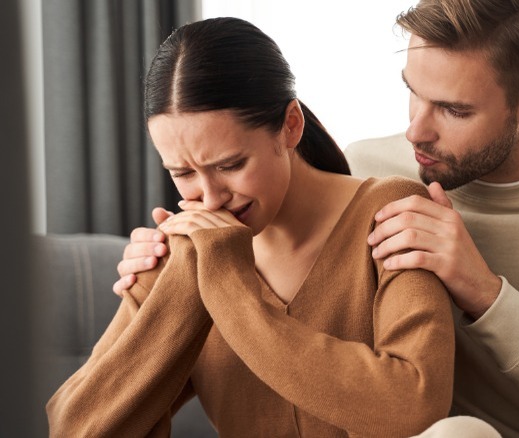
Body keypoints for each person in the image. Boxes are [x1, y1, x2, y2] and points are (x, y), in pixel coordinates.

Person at [116, 1, 519, 437]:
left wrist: (486, 294)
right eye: (413, 93)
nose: (417, 130)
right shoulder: (367, 172)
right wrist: (160, 284)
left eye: (453, 109)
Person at [47, 17, 456, 437]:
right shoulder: (184, 250)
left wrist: (227, 283)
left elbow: (414, 406)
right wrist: (190, 269)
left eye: (230, 165)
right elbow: (74, 427)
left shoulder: (389, 212)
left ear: (290, 126)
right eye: (182, 173)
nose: (210, 196)